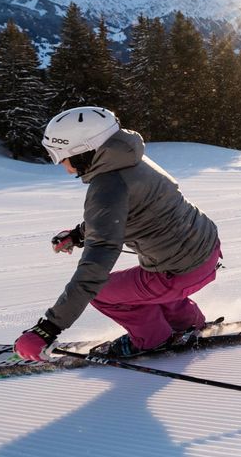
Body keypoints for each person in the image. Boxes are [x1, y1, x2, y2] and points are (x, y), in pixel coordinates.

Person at [13, 106, 222, 362]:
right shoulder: (130, 157)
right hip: (206, 251)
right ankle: (188, 324)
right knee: (144, 282)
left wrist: (48, 328)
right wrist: (79, 234)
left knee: (103, 292)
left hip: (179, 274)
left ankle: (152, 339)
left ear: (83, 151)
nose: (62, 165)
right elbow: (127, 210)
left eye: (61, 156)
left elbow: (95, 269)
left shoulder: (108, 185)